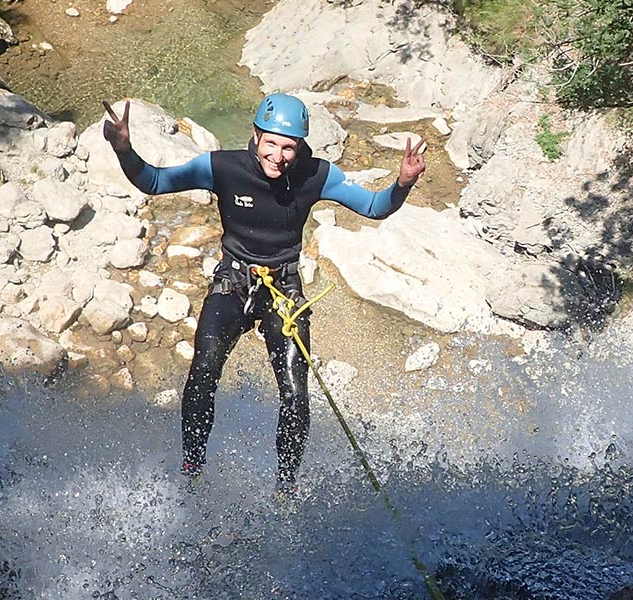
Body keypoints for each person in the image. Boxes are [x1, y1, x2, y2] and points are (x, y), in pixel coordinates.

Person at [101, 94, 426, 493]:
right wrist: (123, 149)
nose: (278, 155)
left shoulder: (317, 175)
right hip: (233, 282)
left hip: (283, 287)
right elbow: (153, 181)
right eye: (270, 143)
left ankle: (285, 485)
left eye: (288, 147)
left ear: (301, 148)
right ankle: (192, 465)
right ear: (255, 136)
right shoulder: (221, 167)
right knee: (203, 372)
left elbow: (375, 207)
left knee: (294, 392)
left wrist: (403, 184)